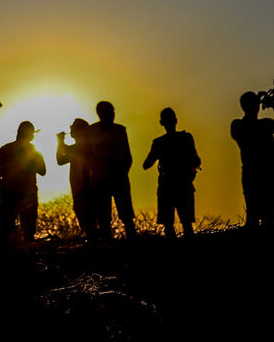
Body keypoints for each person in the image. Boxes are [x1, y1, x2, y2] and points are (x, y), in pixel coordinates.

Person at [230, 90, 274, 226]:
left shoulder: (240, 125)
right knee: (261, 217)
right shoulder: (257, 124)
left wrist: (262, 103)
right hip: (262, 174)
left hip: (258, 173)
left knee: (261, 216)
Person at [143, 108, 202, 238]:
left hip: (171, 185)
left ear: (161, 123)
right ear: (175, 121)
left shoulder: (159, 142)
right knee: (183, 223)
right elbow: (196, 160)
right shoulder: (185, 138)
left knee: (171, 224)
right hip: (180, 184)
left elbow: (146, 164)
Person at [87, 101, 137, 240]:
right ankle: (108, 245)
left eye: (112, 111)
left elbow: (127, 157)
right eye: (109, 111)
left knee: (127, 216)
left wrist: (121, 174)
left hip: (119, 178)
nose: (112, 114)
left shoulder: (120, 130)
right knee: (103, 218)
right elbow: (87, 156)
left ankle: (132, 243)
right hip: (100, 181)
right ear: (100, 114)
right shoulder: (91, 132)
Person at [0, 121, 46, 242]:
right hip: (22, 194)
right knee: (23, 231)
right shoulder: (32, 151)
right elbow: (43, 171)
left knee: (9, 231)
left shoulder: (6, 149)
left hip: (16, 193)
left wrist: (0, 188)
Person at [56, 118, 95, 239]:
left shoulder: (79, 148)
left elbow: (60, 160)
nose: (71, 131)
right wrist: (61, 142)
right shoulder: (85, 147)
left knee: (87, 217)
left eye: (73, 128)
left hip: (85, 188)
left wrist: (60, 142)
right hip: (82, 188)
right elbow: (61, 160)